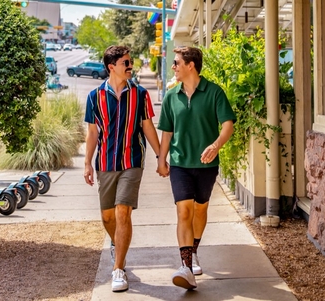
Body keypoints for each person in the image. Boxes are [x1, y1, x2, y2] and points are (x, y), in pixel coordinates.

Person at [157, 46, 236, 290]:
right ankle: (186, 266)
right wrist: (162, 159)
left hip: (206, 165)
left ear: (191, 65)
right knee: (184, 212)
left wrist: (216, 145)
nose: (173, 67)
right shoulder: (171, 96)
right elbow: (167, 131)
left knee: (200, 210)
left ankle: (193, 252)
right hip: (180, 163)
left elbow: (228, 125)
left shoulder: (214, 93)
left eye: (177, 62)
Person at [84, 45, 161, 292]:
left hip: (132, 161)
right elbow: (93, 133)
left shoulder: (140, 94)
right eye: (125, 63)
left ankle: (119, 269)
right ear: (111, 67)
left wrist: (160, 156)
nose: (130, 66)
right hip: (105, 163)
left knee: (122, 212)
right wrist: (87, 162)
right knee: (107, 216)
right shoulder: (94, 97)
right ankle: (118, 247)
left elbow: (147, 126)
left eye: (130, 62)